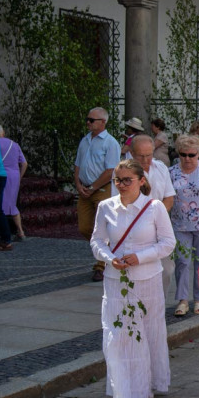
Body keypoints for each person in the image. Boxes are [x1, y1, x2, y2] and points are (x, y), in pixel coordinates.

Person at [90, 159, 175, 398]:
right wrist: (108, 258)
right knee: (118, 338)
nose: (121, 185)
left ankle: (145, 385)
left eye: (127, 180)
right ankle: (123, 395)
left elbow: (167, 243)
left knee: (147, 332)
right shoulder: (106, 207)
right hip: (116, 282)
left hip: (147, 279)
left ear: (141, 181)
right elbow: (97, 241)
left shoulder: (154, 207)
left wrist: (141, 256)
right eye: (117, 180)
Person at [169, 135, 199, 316]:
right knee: (182, 262)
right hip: (180, 224)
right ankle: (182, 300)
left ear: (198, 154)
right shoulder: (171, 172)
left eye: (192, 155)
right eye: (183, 154)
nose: (188, 159)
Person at [75, 107, 121, 281]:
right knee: (84, 227)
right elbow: (78, 165)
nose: (88, 122)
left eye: (91, 120)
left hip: (101, 190)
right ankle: (106, 250)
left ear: (103, 122)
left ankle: (100, 264)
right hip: (84, 189)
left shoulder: (110, 143)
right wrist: (78, 184)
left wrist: (93, 187)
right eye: (87, 119)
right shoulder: (85, 140)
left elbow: (111, 171)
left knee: (102, 227)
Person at [124, 136, 175, 212]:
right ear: (132, 153)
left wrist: (157, 216)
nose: (145, 160)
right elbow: (121, 202)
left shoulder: (162, 168)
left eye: (148, 155)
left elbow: (169, 198)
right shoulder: (123, 172)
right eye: (140, 156)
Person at [0, 124, 27, 242]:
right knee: (11, 205)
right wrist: (19, 177)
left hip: (0, 175)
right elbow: (24, 163)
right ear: (3, 132)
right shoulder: (14, 144)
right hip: (14, 176)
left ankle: (2, 234)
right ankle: (20, 231)